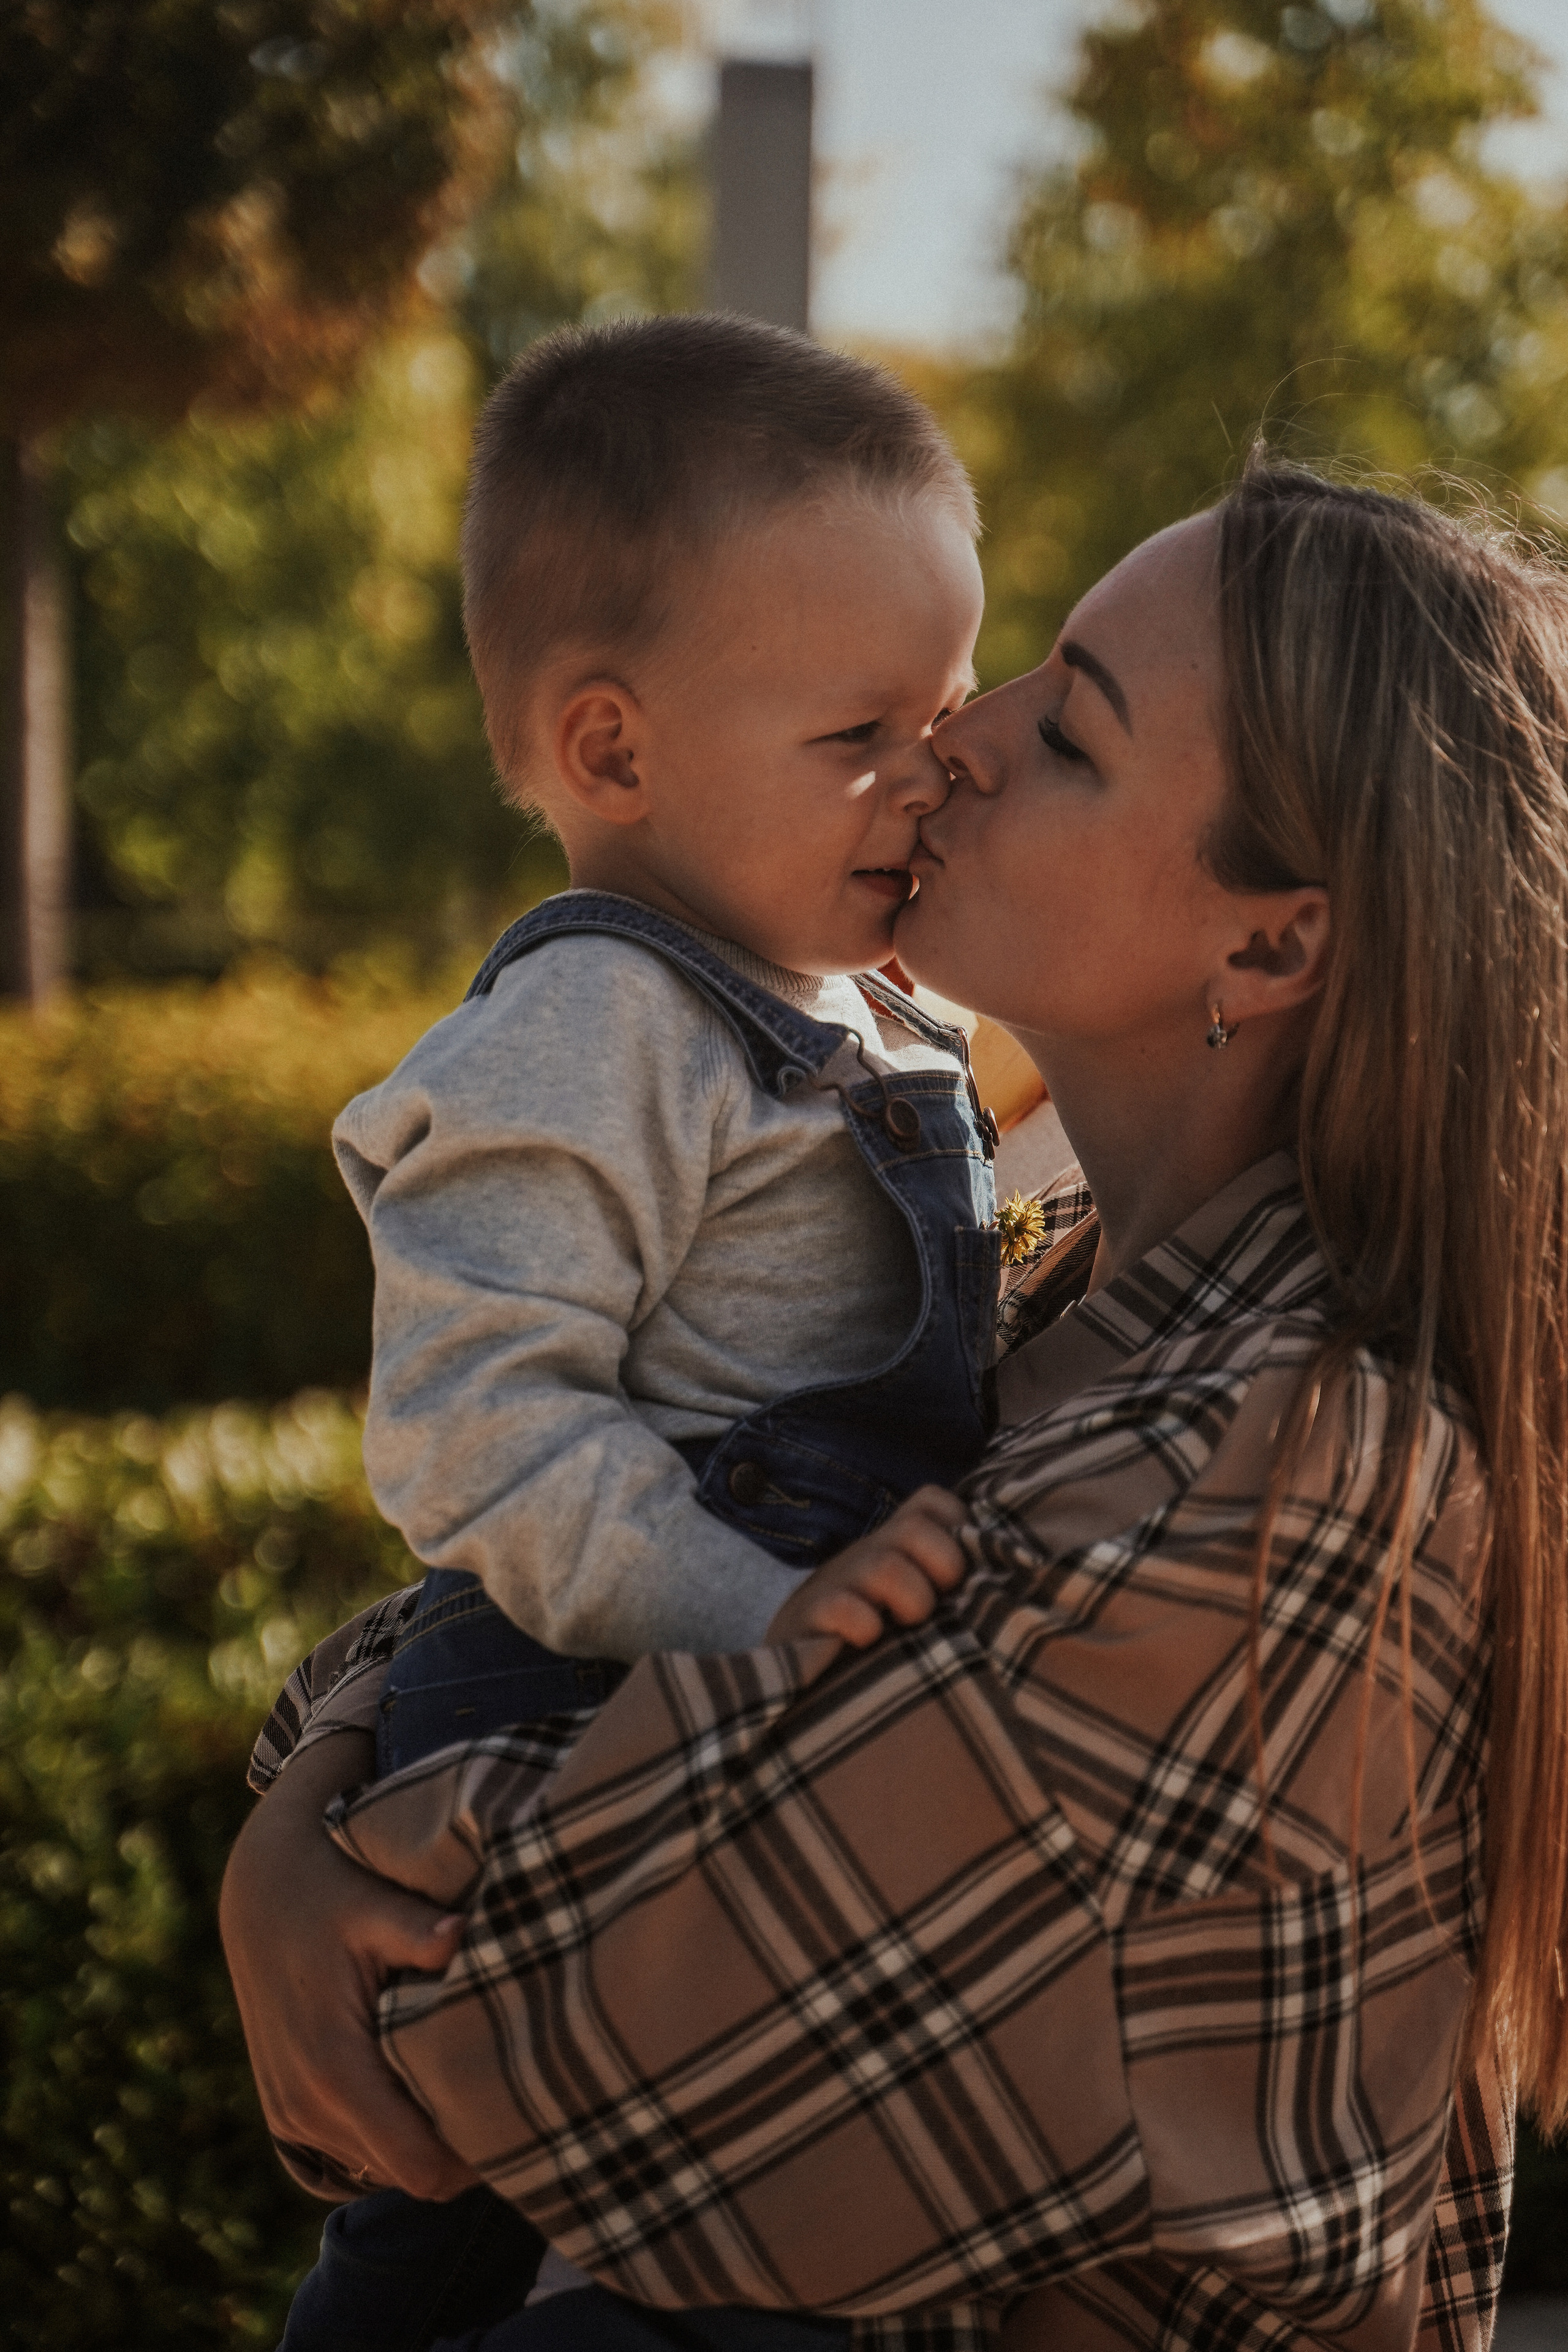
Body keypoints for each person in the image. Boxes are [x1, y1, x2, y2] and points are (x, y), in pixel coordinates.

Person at [223, 457, 1568, 2350]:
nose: (958, 745)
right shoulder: (1065, 1286)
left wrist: (319, 1848)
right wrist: (325, 1770)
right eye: (1015, 674)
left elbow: (556, 2013)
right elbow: (631, 1526)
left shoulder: (1283, 1462)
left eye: (1072, 735)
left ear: (1267, 945)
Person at [257, 312, 1005, 2350]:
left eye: (953, 711)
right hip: (567, 1712)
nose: (936, 774)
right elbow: (471, 1428)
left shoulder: (863, 1001)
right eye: (864, 731)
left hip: (711, 1704)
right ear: (612, 750)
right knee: (451, 2233)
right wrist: (751, 1610)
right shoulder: (600, 1025)